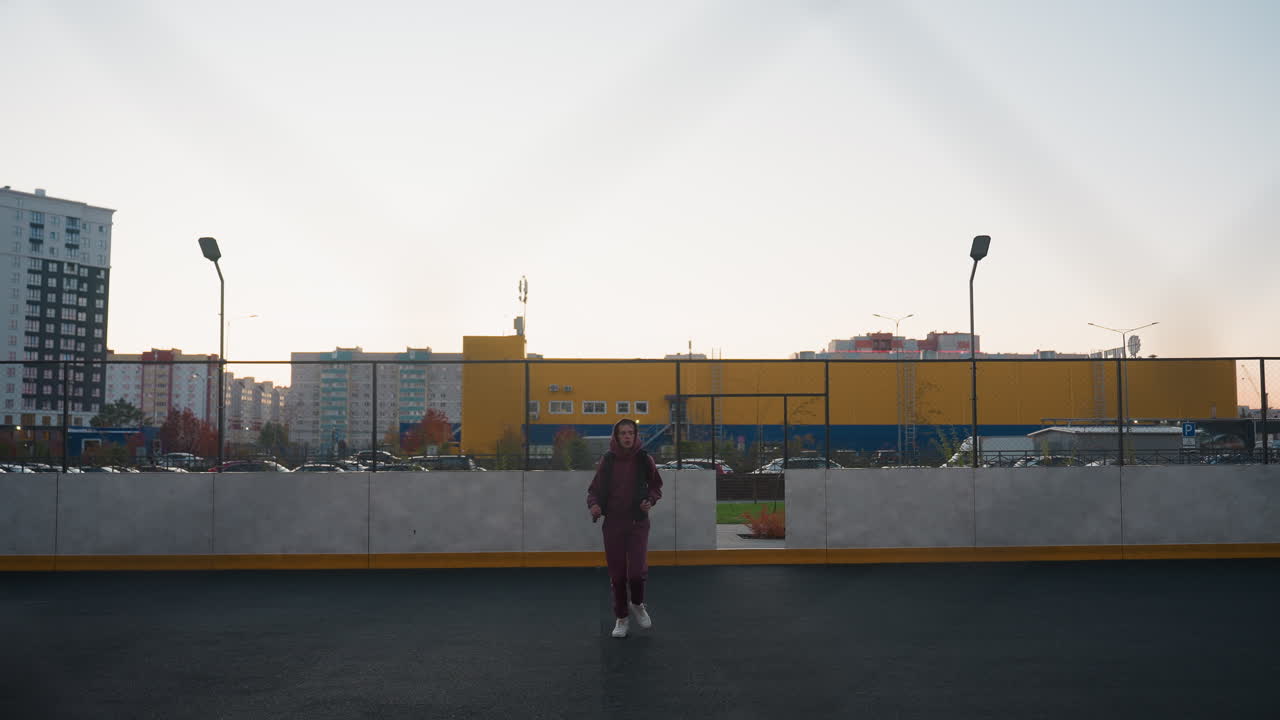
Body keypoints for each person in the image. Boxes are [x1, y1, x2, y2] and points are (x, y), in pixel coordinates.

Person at [587, 418, 663, 638]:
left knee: (637, 573)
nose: (628, 436)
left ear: (636, 435)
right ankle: (621, 618)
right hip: (613, 524)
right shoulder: (608, 461)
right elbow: (594, 491)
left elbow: (656, 487)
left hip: (638, 523)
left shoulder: (644, 459)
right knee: (618, 576)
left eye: (631, 432)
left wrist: (650, 499)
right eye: (623, 433)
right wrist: (594, 506)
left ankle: (638, 603)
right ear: (616, 436)